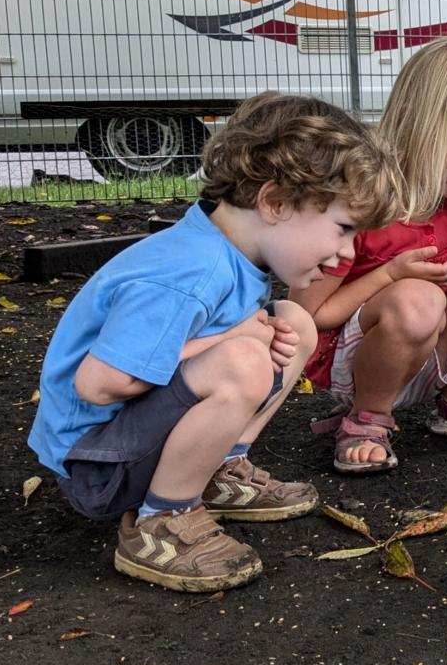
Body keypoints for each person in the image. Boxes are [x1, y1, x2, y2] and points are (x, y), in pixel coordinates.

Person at [28, 92, 405, 591]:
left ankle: (217, 470)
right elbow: (101, 383)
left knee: (293, 320)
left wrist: (242, 336)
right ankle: (162, 521)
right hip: (97, 469)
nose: (346, 253)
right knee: (244, 357)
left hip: (128, 445)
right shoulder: (190, 271)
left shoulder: (226, 252)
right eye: (343, 229)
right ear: (274, 202)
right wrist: (235, 338)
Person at [294, 38, 447, 471]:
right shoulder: (361, 197)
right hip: (353, 361)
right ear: (420, 124)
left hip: (429, 344)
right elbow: (308, 313)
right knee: (418, 299)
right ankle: (367, 418)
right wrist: (390, 274)